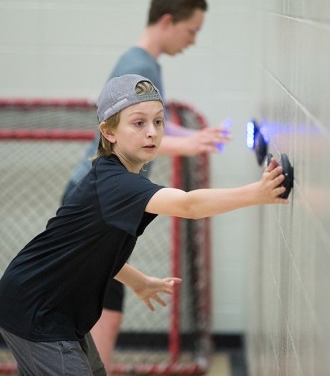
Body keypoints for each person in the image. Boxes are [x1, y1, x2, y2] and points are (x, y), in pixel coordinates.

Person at [0, 74, 288, 376]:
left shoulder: (117, 180)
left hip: (50, 308)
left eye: (159, 122)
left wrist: (137, 280)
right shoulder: (116, 184)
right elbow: (188, 205)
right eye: (139, 123)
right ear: (109, 132)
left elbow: (88, 252)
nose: (152, 132)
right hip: (35, 311)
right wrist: (257, 193)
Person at [61, 0, 231, 373]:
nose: (192, 41)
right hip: (97, 204)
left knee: (107, 304)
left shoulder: (143, 63)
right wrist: (188, 143)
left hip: (104, 202)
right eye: (191, 31)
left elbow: (149, 125)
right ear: (167, 21)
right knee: (105, 310)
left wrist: (194, 135)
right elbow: (135, 133)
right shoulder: (139, 65)